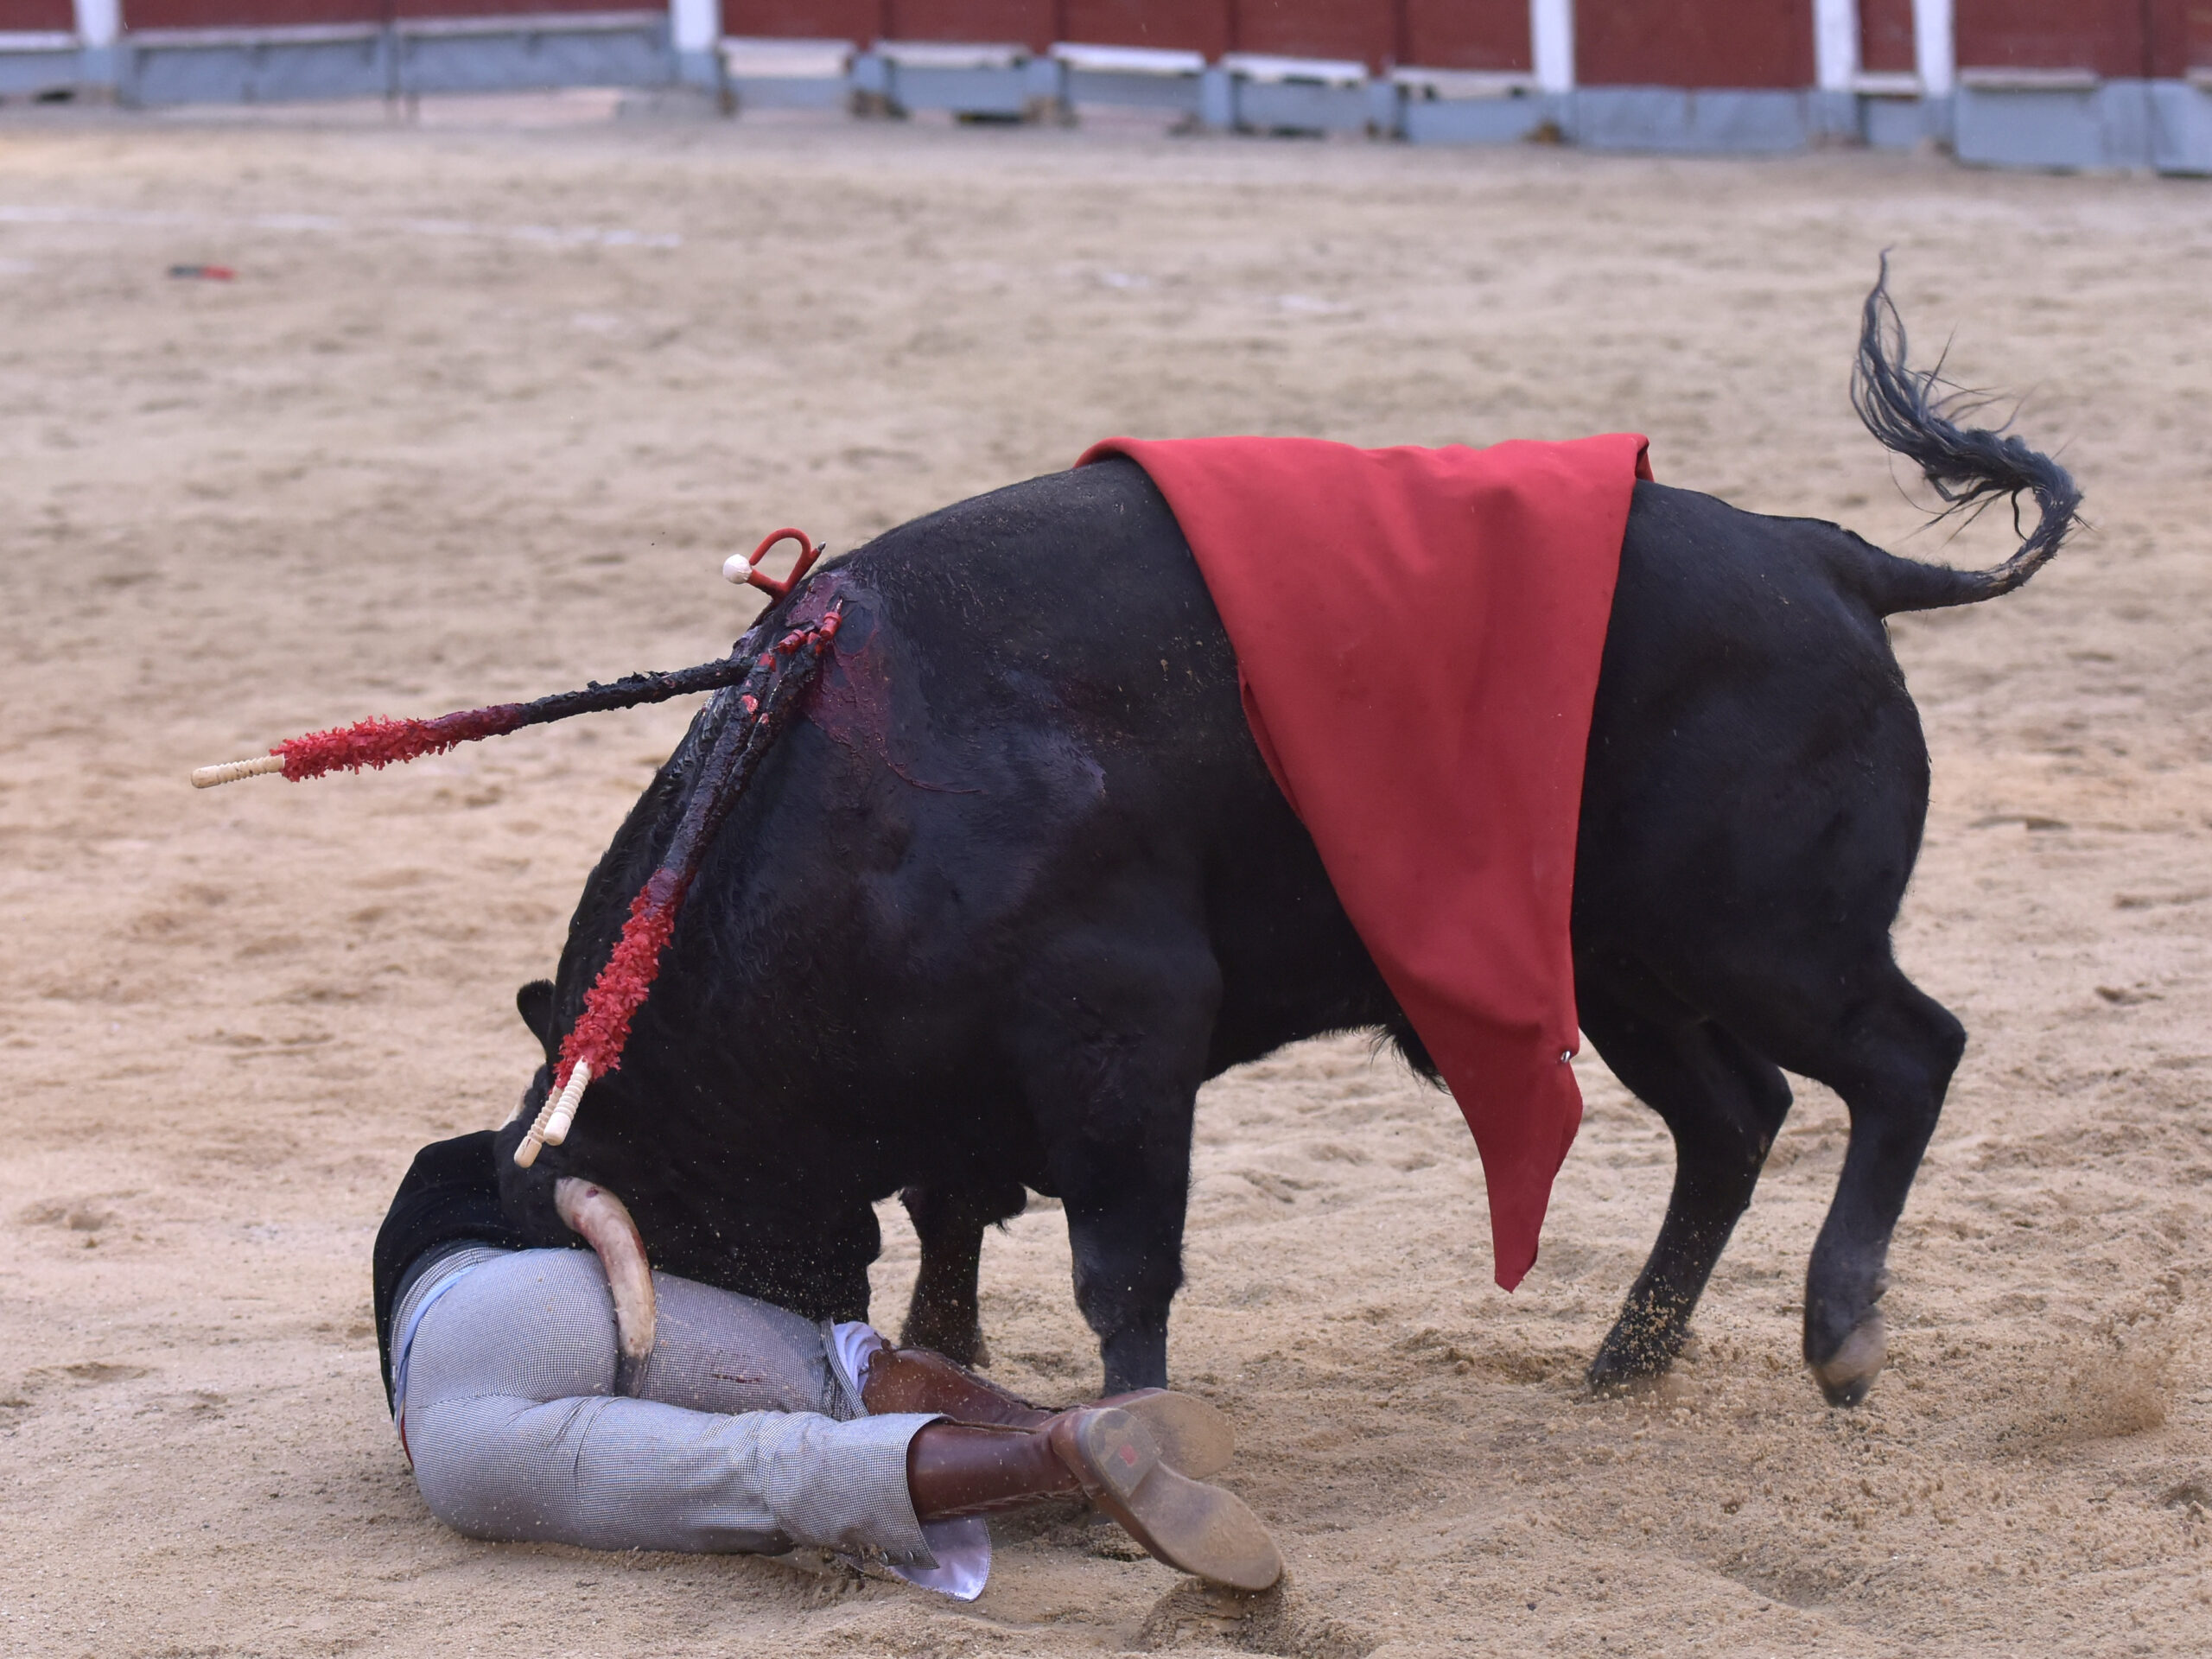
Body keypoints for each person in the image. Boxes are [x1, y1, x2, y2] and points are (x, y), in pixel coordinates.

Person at [372, 1133, 1282, 1599]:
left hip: (454, 1420)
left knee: (767, 1470)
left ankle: (1058, 1454)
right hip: (549, 1287)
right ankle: (1039, 1426)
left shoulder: (434, 1182)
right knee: (840, 1374)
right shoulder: (565, 1139)